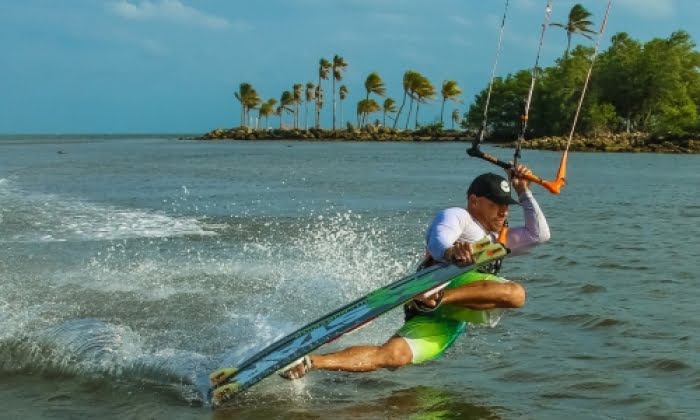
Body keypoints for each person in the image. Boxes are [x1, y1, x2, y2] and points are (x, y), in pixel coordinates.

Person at [280, 164, 550, 379]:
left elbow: (539, 235)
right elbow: (438, 238)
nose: (503, 211)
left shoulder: (499, 239)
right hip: (432, 287)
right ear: (475, 200)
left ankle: (311, 363)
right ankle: (435, 297)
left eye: (506, 205)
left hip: (452, 313)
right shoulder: (459, 216)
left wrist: (524, 191)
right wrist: (449, 252)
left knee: (394, 357)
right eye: (496, 204)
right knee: (517, 293)